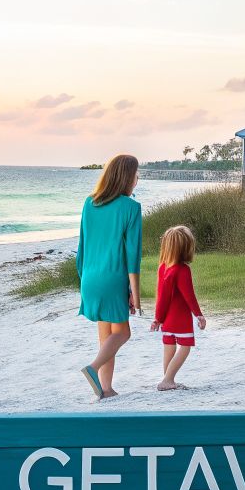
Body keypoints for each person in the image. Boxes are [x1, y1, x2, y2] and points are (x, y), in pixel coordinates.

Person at [77, 153, 142, 400]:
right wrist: (136, 296)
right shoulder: (131, 207)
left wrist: (83, 280)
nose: (137, 178)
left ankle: (106, 388)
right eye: (136, 174)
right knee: (123, 333)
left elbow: (82, 248)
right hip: (112, 278)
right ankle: (93, 368)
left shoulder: (89, 203)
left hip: (89, 278)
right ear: (126, 177)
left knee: (106, 335)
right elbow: (133, 258)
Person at [149, 225, 205, 390]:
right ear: (186, 247)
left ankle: (167, 379)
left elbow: (162, 297)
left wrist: (158, 318)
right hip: (180, 318)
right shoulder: (182, 270)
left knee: (169, 347)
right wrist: (199, 314)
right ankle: (168, 380)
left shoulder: (163, 267)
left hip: (166, 318)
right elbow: (189, 296)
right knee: (185, 347)